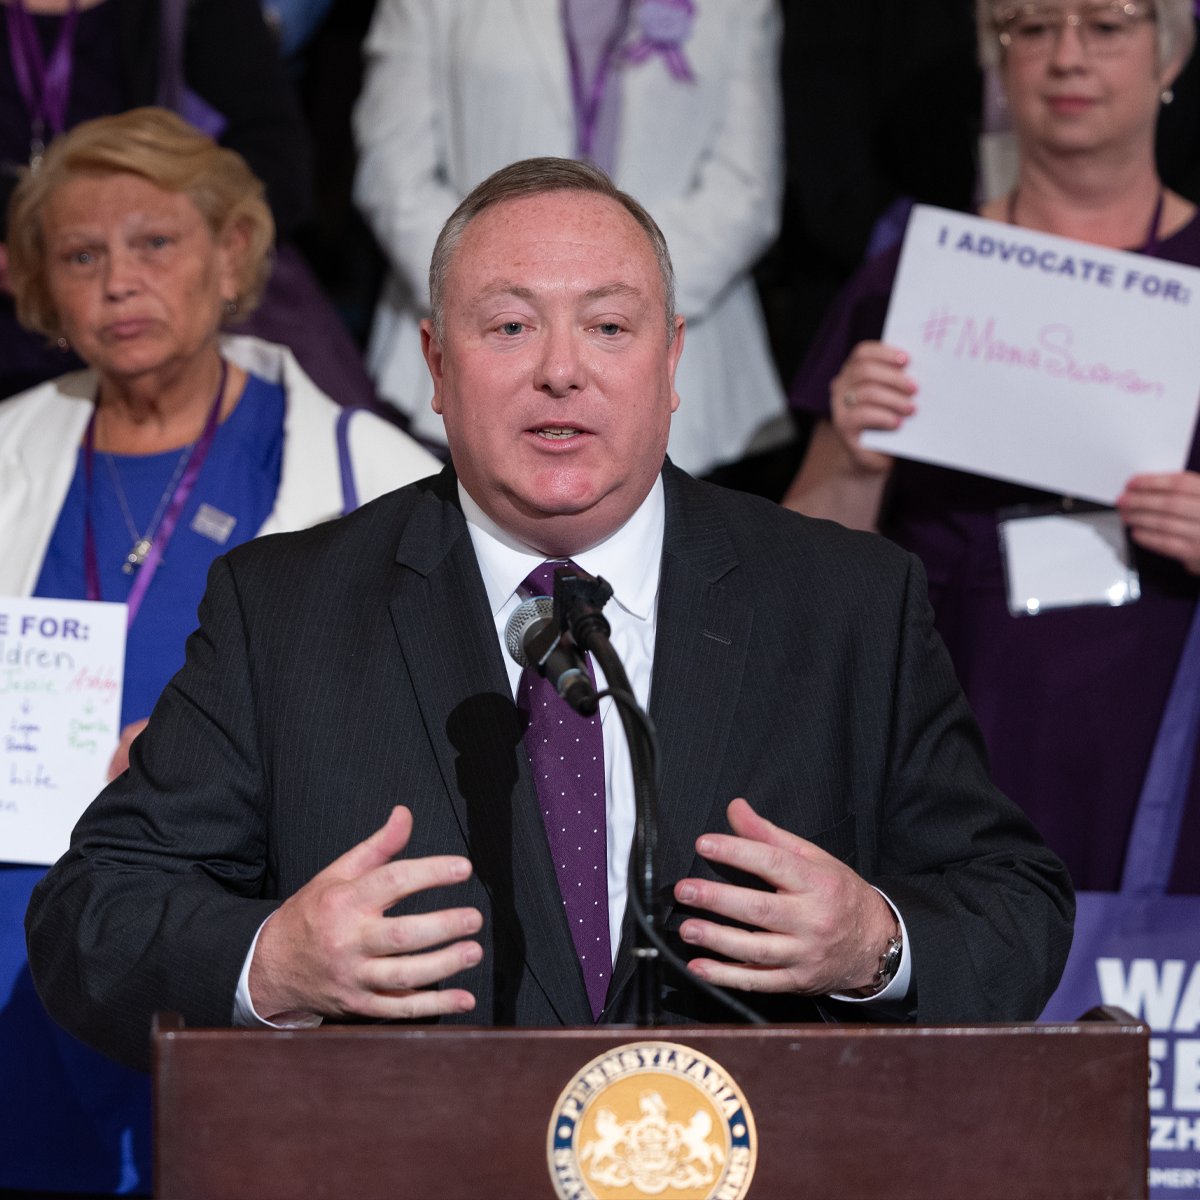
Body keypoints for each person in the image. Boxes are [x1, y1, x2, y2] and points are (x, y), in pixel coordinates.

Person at [26, 157, 1073, 1081]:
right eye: (511, 325)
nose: (561, 368)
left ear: (672, 363)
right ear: (437, 365)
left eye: (610, 326)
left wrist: (874, 944)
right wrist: (273, 961)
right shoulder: (284, 610)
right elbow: (92, 919)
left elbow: (1013, 905)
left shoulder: (849, 602)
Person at [0, 108, 438, 1195]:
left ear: (231, 252)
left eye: (155, 243)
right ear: (42, 287)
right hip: (14, 928)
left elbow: (436, 725)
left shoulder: (366, 468)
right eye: (82, 254)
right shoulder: (6, 446)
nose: (118, 282)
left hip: (225, 936)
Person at [783, 0, 1200, 893]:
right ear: (998, 62)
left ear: (1171, 56)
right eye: (1032, 28)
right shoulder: (915, 280)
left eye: (1107, 25)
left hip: (1173, 732)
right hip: (964, 734)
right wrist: (856, 455)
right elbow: (803, 576)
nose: (1067, 58)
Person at [352, 0, 788, 478]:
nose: (563, 370)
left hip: (704, 385)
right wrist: (495, 307)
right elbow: (394, 178)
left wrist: (620, 311)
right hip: (477, 356)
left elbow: (745, 192)